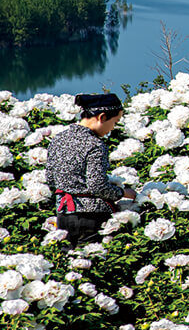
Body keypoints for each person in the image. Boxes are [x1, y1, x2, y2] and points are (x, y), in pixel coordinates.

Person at [45, 92, 136, 244]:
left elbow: (51, 179)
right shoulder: (95, 145)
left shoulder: (58, 140)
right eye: (115, 122)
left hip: (64, 214)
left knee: (70, 260)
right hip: (91, 217)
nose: (112, 128)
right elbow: (97, 186)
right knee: (92, 259)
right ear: (102, 117)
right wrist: (123, 192)